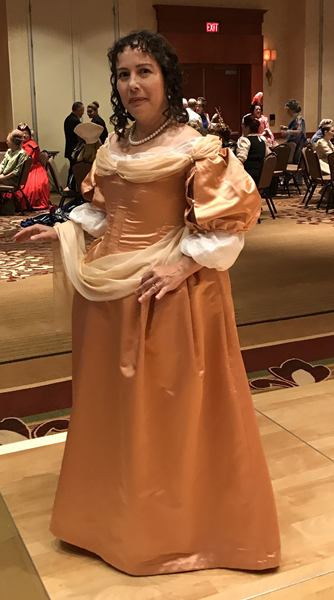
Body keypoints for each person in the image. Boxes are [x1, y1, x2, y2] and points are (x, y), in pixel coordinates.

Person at [14, 30, 280, 576]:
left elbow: (230, 223)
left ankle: (175, 527)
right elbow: (106, 212)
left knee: (170, 408)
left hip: (170, 290)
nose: (132, 83)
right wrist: (63, 228)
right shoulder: (115, 146)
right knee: (113, 408)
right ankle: (108, 518)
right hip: (107, 295)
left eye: (144, 71)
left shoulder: (196, 145)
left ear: (167, 78)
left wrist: (182, 265)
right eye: (123, 74)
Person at [16, 123, 50, 210]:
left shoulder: (31, 145)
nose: (24, 135)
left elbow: (26, 161)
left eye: (26, 133)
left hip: (31, 168)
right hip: (21, 167)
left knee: (31, 186)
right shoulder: (17, 145)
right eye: (21, 133)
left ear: (30, 135)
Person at [236, 113, 270, 185]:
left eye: (243, 125)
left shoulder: (245, 140)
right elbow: (270, 157)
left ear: (247, 128)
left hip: (248, 178)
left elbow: (240, 159)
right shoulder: (262, 141)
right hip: (261, 177)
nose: (241, 127)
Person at [0, 130, 27, 215]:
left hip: (13, 179)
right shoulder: (9, 151)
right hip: (4, 176)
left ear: (13, 142)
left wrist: (3, 177)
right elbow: (3, 164)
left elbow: (16, 171)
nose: (6, 142)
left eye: (8, 141)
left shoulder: (22, 154)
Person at [280, 99, 307, 163]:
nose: (287, 112)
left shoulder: (299, 119)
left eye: (288, 110)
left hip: (298, 146)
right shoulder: (296, 119)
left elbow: (298, 131)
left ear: (293, 110)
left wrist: (286, 132)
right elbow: (294, 128)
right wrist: (286, 128)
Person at [64, 101, 85, 182]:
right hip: (75, 150)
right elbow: (81, 135)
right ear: (79, 109)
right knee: (74, 170)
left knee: (72, 169)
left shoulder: (68, 119)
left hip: (69, 149)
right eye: (82, 110)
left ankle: (70, 187)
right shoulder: (75, 121)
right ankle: (72, 187)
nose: (83, 113)